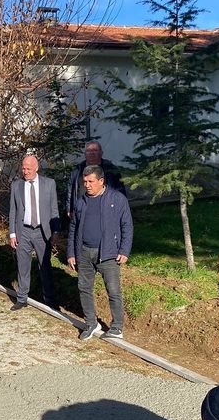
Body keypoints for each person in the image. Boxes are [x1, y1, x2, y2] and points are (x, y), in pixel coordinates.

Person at [66, 165, 132, 340]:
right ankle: (91, 323)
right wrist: (71, 253)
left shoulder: (117, 199)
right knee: (84, 288)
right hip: (84, 252)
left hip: (108, 253)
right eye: (85, 181)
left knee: (113, 290)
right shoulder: (81, 202)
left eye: (91, 181)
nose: (87, 185)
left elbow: (127, 225)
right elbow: (73, 228)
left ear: (101, 181)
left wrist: (124, 250)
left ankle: (117, 327)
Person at [8, 155, 60, 311]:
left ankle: (49, 299)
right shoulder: (17, 185)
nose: (25, 171)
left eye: (28, 169)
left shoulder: (49, 184)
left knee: (45, 266)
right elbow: (12, 210)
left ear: (36, 168)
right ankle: (22, 298)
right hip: (22, 231)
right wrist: (12, 233)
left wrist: (55, 230)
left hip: (42, 232)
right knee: (23, 266)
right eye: (23, 168)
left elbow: (53, 209)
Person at [65, 141, 126, 219]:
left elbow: (120, 190)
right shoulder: (77, 171)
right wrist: (69, 209)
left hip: (106, 210)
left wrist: (121, 208)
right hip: (83, 211)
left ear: (101, 153)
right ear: (85, 154)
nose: (91, 153)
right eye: (89, 150)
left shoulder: (110, 169)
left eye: (95, 150)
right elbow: (70, 191)